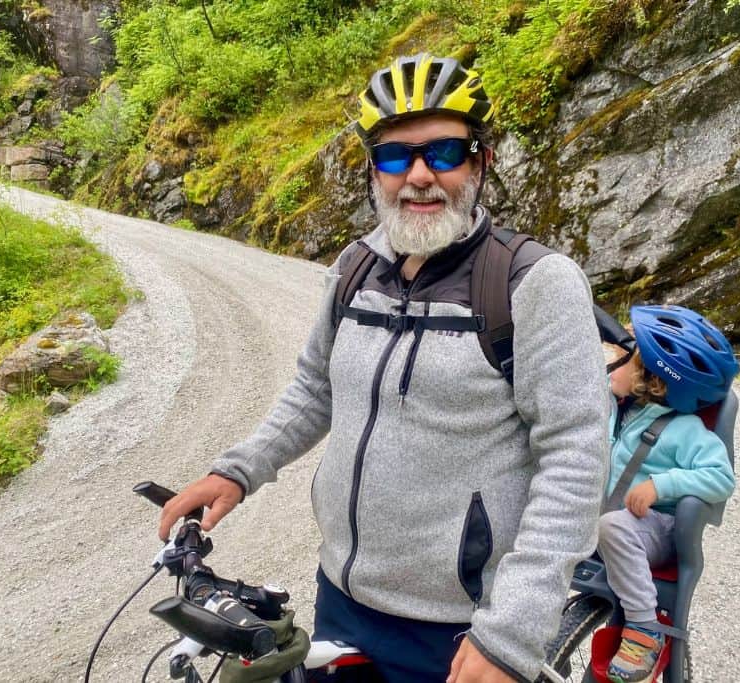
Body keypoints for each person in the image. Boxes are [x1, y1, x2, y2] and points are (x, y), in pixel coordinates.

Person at [158, 53, 610, 683]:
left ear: (480, 161)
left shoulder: (532, 283)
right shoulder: (353, 270)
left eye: (444, 153)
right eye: (396, 156)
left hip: (463, 627)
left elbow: (576, 456)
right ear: (374, 171)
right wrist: (237, 470)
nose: (419, 176)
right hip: (343, 597)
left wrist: (511, 632)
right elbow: (316, 387)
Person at [599, 305, 738, 683]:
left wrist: (662, 485)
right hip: (602, 523)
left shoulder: (684, 429)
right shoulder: (615, 406)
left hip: (653, 529)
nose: (610, 361)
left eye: (623, 358)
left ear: (652, 380)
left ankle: (645, 632)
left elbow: (721, 477)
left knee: (614, 526)